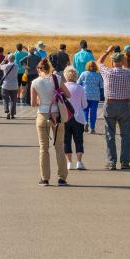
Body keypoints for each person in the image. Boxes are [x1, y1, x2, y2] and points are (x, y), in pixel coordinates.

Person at [30, 58, 69, 186]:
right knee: (59, 147)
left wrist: (43, 100)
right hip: (57, 115)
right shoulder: (57, 78)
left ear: (40, 69)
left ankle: (45, 178)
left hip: (42, 115)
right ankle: (62, 178)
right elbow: (68, 94)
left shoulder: (35, 82)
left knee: (43, 148)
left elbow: (33, 103)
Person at [99, 50, 130, 170]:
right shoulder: (128, 73)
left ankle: (111, 161)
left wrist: (107, 51)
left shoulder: (107, 73)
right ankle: (125, 162)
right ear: (122, 61)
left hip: (110, 105)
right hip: (124, 105)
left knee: (110, 134)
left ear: (112, 62)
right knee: (126, 135)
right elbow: (128, 70)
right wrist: (125, 62)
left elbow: (98, 62)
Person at [62, 67, 88, 170]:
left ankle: (69, 162)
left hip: (65, 117)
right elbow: (85, 105)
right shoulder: (80, 88)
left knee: (66, 140)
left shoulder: (62, 88)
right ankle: (79, 162)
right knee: (79, 140)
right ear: (76, 76)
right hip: (78, 117)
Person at [77, 60, 103, 133]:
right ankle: (92, 128)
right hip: (95, 96)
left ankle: (85, 122)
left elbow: (78, 83)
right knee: (93, 112)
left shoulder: (84, 74)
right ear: (95, 67)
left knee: (85, 110)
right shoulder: (98, 75)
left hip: (85, 95)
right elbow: (101, 86)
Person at [0, 51, 21, 119]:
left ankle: (7, 111)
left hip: (6, 85)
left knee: (5, 99)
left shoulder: (6, 66)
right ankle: (12, 114)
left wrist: (4, 60)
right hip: (14, 85)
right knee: (13, 100)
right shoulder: (16, 66)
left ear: (8, 59)